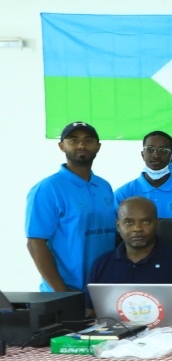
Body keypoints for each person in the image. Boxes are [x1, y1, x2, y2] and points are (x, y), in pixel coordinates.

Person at [25, 121, 116, 292]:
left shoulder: (104, 186)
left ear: (98, 146)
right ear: (61, 146)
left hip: (102, 291)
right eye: (73, 140)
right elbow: (35, 243)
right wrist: (62, 294)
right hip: (65, 292)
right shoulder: (47, 189)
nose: (81, 145)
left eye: (88, 140)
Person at [88, 197, 172, 303]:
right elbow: (91, 309)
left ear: (156, 224)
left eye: (145, 222)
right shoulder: (102, 264)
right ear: (118, 226)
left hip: (168, 327)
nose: (137, 228)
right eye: (129, 222)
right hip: (115, 327)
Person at [113, 130, 172, 219]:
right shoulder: (123, 194)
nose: (156, 155)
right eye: (150, 149)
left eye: (163, 150)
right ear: (142, 154)